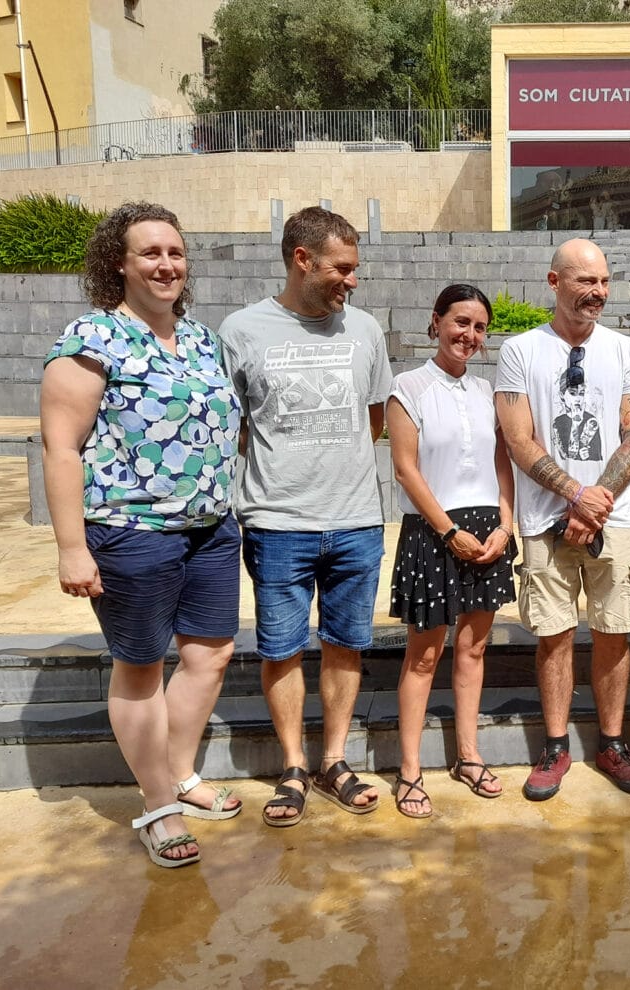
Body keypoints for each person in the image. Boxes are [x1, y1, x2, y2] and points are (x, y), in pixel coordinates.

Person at [40, 202, 243, 868]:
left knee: (210, 654)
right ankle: (158, 804)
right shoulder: (93, 337)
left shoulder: (203, 339)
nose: (166, 264)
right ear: (119, 263)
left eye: (175, 253)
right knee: (141, 666)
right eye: (150, 253)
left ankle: (177, 774)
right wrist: (72, 547)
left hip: (211, 527)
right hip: (131, 530)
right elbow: (61, 449)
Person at [218, 206, 393, 827]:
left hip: (355, 519)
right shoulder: (241, 330)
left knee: (346, 646)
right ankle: (294, 766)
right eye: (342, 268)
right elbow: (233, 424)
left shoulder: (365, 329)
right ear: (302, 260)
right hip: (276, 523)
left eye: (354, 268)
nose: (352, 280)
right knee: (282, 649)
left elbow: (374, 418)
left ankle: (334, 761)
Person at [495, 238, 630, 801]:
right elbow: (518, 439)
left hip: (617, 517)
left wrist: (595, 502)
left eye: (604, 281)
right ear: (554, 281)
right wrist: (574, 495)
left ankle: (612, 743)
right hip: (545, 520)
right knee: (554, 636)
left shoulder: (627, 350)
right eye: (586, 281)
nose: (598, 292)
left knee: (614, 634)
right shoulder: (520, 350)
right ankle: (556, 745)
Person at [386, 285, 517, 818]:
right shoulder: (408, 386)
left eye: (480, 327)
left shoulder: (488, 391)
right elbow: (405, 468)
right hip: (433, 530)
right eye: (461, 322)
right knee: (423, 655)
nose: (469, 335)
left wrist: (506, 526)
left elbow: (503, 463)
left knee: (474, 649)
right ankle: (410, 770)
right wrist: (448, 532)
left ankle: (468, 755)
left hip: (487, 531)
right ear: (436, 321)